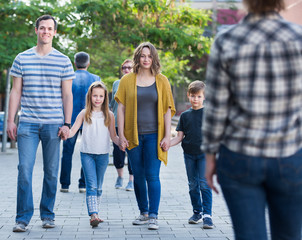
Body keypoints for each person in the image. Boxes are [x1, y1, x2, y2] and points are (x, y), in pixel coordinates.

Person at [202, 0, 302, 239]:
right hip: (290, 155)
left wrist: (210, 157)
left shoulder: (227, 41)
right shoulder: (298, 39)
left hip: (239, 156)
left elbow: (216, 108)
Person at [7, 15, 75, 232]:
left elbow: (67, 95)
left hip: (53, 124)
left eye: (50, 29)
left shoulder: (63, 60)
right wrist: (11, 120)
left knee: (52, 172)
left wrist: (67, 123)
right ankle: (22, 218)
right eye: (42, 28)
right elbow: (15, 91)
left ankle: (47, 215)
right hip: (27, 123)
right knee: (24, 171)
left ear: (55, 33)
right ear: (36, 30)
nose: (46, 32)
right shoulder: (22, 58)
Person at [115, 42, 175, 230]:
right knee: (138, 175)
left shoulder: (162, 80)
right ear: (137, 58)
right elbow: (121, 109)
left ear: (154, 58)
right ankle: (143, 212)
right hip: (133, 136)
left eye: (149, 56)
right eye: (143, 56)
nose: (146, 59)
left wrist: (167, 136)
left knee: (152, 175)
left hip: (155, 136)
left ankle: (154, 216)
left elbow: (167, 110)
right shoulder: (127, 80)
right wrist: (121, 135)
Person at [68, 81, 119, 227]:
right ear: (90, 97)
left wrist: (122, 142)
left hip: (103, 154)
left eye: (101, 96)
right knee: (91, 185)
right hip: (87, 154)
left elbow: (113, 136)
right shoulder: (84, 113)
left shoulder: (109, 115)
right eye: (95, 96)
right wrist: (65, 133)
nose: (97, 99)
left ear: (105, 98)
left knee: (99, 186)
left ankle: (96, 212)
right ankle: (93, 214)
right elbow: (73, 131)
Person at [170, 81, 213, 229]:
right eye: (193, 96)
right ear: (188, 96)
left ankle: (208, 215)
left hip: (203, 155)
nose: (195, 99)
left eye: (199, 96)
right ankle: (197, 212)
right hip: (189, 155)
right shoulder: (185, 116)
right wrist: (167, 144)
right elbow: (179, 137)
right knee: (193, 185)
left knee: (204, 184)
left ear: (204, 97)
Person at [59, 52, 101, 193]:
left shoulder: (68, 78)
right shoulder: (96, 79)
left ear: (74, 63)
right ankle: (83, 184)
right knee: (88, 151)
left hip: (70, 120)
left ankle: (65, 184)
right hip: (90, 120)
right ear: (88, 63)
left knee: (67, 153)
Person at [109, 59, 134, 191]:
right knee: (118, 152)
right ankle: (120, 177)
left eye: (129, 67)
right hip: (117, 123)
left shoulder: (137, 82)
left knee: (132, 152)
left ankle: (131, 179)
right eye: (124, 67)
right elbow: (112, 104)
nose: (126, 70)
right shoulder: (116, 84)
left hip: (131, 124)